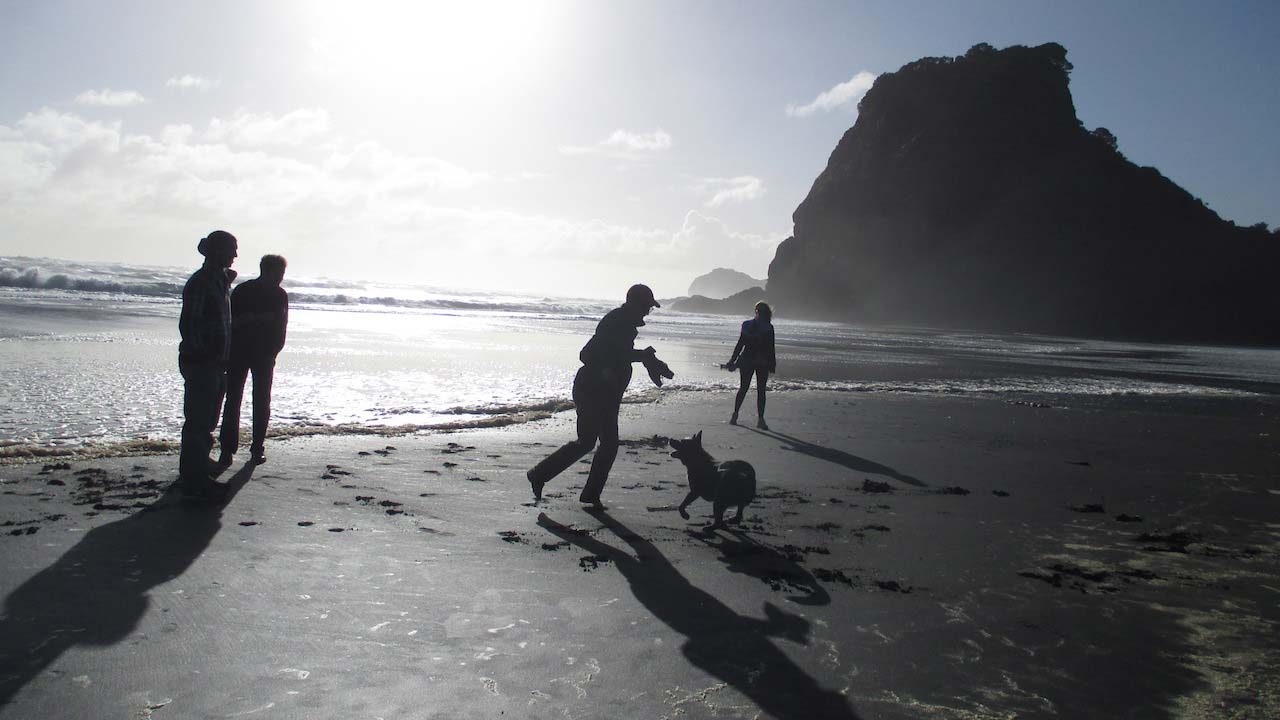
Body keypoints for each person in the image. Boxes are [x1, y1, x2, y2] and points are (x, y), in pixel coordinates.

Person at [526, 284, 674, 507]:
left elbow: (619, 354)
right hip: (592, 390)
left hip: (607, 392)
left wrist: (648, 360)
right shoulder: (617, 322)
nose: (647, 312)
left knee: (604, 443)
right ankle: (540, 475)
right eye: (646, 307)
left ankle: (586, 492)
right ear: (636, 304)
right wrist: (644, 358)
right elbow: (592, 354)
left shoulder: (625, 324)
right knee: (590, 442)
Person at [178, 230, 238, 499]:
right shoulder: (203, 281)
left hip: (214, 363)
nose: (235, 255)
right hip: (203, 363)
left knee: (206, 420)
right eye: (232, 249)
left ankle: (198, 468)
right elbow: (189, 325)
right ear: (218, 251)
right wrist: (205, 355)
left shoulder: (219, 281)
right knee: (199, 422)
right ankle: (194, 478)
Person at [218, 254, 289, 466]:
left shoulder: (279, 295)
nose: (281, 278)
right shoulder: (243, 291)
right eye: (278, 273)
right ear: (266, 271)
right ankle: (227, 448)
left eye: (282, 274)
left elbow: (281, 327)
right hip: (239, 351)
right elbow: (230, 323)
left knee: (261, 401)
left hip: (264, 354)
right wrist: (253, 320)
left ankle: (257, 447)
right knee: (233, 400)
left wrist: (274, 351)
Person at [725, 301, 776, 429]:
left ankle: (738, 416)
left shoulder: (747, 325)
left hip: (750, 361)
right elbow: (770, 348)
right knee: (758, 390)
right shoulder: (768, 327)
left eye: (759, 311)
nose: (758, 313)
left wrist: (733, 360)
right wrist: (772, 364)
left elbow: (740, 345)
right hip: (760, 362)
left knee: (746, 389)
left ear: (758, 312)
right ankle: (757, 419)